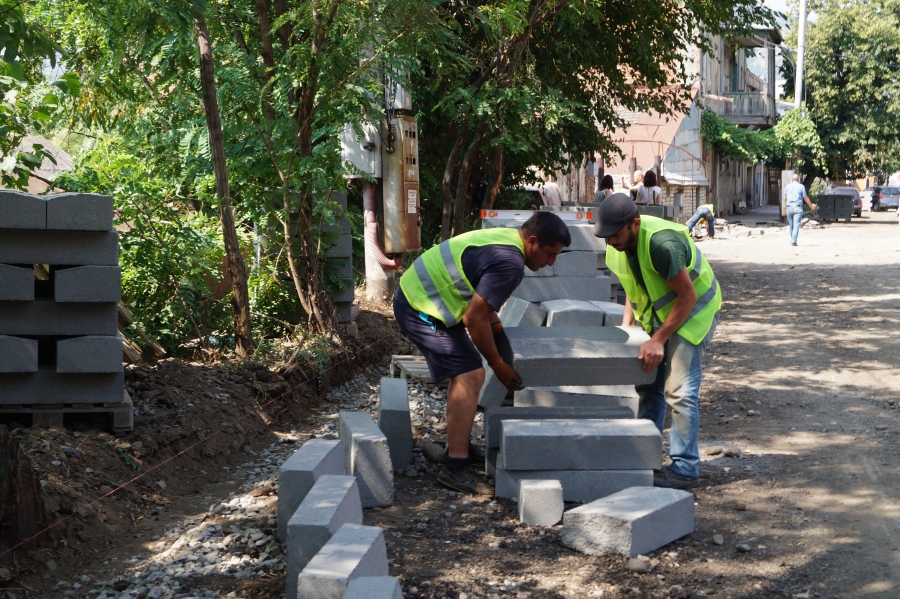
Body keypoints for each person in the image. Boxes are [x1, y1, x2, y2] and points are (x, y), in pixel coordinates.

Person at [394, 211, 571, 495]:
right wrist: (498, 364)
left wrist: (499, 333)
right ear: (533, 241)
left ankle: (457, 447)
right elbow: (474, 319)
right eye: (550, 254)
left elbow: (480, 300)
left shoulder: (508, 239)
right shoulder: (511, 263)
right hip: (419, 306)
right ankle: (454, 468)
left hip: (427, 296)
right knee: (470, 374)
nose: (551, 262)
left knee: (467, 372)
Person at [594, 194, 722, 490]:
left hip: (694, 313)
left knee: (678, 390)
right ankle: (645, 458)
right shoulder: (617, 244)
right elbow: (633, 287)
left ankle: (685, 469)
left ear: (635, 224)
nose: (610, 241)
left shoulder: (662, 244)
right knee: (649, 384)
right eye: (606, 235)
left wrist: (659, 339)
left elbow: (688, 296)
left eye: (615, 234)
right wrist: (627, 329)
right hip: (663, 317)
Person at [783, 173, 816, 246]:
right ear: (799, 180)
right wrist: (811, 206)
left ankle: (793, 239)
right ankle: (793, 241)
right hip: (797, 207)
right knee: (796, 225)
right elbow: (805, 197)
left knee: (791, 225)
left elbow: (785, 197)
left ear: (792, 180)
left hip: (789, 207)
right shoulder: (801, 187)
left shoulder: (787, 186)